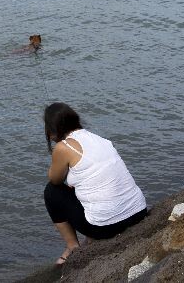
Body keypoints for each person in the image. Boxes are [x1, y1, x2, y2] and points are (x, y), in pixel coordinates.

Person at [42, 102, 148, 266]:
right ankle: (89, 237)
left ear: (53, 129)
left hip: (107, 227)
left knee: (51, 192)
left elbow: (54, 179)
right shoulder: (100, 140)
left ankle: (72, 247)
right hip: (138, 212)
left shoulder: (63, 147)